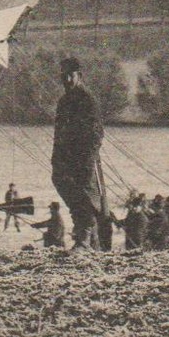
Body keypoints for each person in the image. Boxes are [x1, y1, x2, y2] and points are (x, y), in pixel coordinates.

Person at [50, 57, 112, 250]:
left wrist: (88, 158)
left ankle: (85, 239)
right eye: (64, 76)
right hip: (65, 156)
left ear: (79, 76)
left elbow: (96, 132)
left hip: (83, 157)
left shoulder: (86, 99)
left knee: (87, 194)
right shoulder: (63, 101)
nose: (67, 79)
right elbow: (59, 131)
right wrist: (56, 156)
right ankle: (84, 235)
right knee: (63, 184)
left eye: (71, 75)